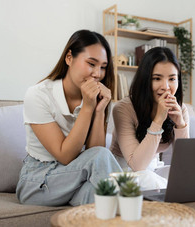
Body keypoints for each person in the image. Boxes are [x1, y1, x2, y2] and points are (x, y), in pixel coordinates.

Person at [16, 30, 122, 206]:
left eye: (103, 67)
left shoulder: (94, 97)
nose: (97, 73)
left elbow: (93, 152)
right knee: (103, 162)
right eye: (91, 64)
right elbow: (65, 156)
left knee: (99, 198)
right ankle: (137, 209)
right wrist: (88, 107)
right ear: (69, 58)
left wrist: (98, 111)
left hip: (74, 178)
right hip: (37, 182)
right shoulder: (37, 95)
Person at [110, 47, 189, 190]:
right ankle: (175, 189)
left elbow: (185, 162)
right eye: (157, 78)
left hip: (152, 169)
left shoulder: (180, 109)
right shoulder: (123, 108)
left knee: (185, 174)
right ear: (145, 79)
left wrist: (180, 125)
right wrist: (158, 120)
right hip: (123, 171)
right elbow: (137, 165)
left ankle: (174, 189)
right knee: (149, 179)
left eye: (172, 79)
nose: (166, 87)